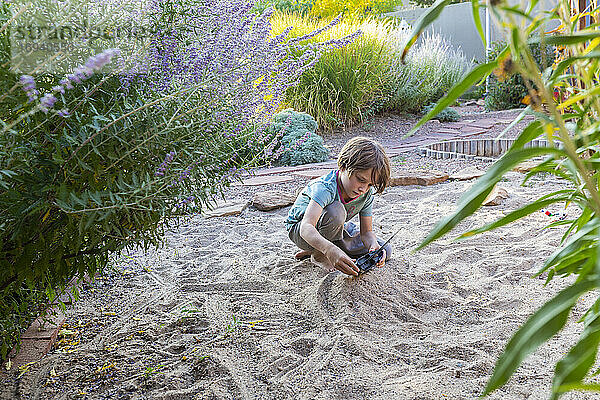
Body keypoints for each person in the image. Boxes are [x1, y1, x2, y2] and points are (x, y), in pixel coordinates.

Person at [285, 136, 392, 276]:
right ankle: (319, 254)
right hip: (300, 230)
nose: (363, 189)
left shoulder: (366, 193)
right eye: (361, 180)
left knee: (385, 250)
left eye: (370, 184)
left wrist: (373, 246)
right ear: (343, 167)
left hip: (334, 228)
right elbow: (306, 228)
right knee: (336, 211)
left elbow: (367, 233)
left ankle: (320, 247)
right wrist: (329, 250)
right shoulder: (325, 188)